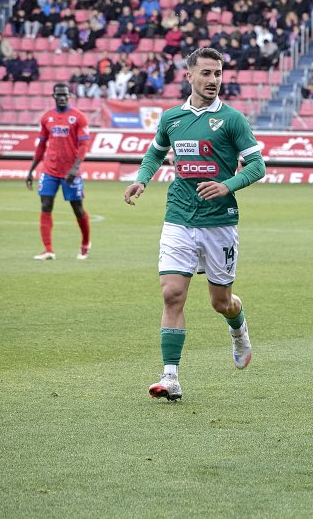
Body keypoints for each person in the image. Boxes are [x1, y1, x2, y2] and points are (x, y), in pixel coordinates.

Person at [122, 48, 267, 401]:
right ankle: (170, 377)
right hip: (179, 217)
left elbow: (257, 166)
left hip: (219, 222)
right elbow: (156, 151)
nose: (213, 80)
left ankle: (238, 328)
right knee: (172, 294)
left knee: (221, 302)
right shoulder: (172, 118)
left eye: (218, 73)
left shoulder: (232, 120)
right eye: (206, 73)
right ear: (189, 76)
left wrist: (226, 185)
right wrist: (143, 178)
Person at [26, 83, 92, 260]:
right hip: (49, 170)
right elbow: (41, 146)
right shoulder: (46, 118)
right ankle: (48, 250)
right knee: (45, 205)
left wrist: (75, 168)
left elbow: (84, 145)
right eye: (58, 95)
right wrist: (31, 170)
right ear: (53, 96)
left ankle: (85, 244)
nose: (62, 97)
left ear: (69, 96)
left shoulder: (79, 117)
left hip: (71, 172)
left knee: (77, 209)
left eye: (65, 95)